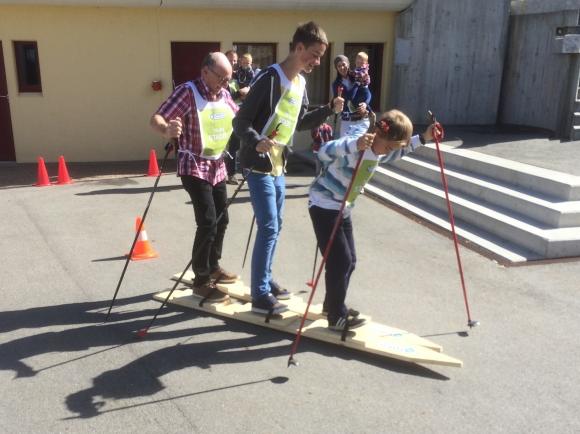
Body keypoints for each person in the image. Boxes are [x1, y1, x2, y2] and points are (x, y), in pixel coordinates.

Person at [233, 21, 344, 315]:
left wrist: (328, 109)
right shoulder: (270, 79)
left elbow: (300, 122)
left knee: (276, 225)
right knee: (269, 226)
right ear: (298, 47)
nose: (317, 62)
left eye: (320, 57)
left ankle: (266, 278)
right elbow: (240, 122)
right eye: (314, 55)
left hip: (279, 163)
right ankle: (259, 294)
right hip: (258, 163)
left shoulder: (300, 84)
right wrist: (256, 140)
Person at [308, 109, 437, 331]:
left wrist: (424, 138)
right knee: (340, 261)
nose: (388, 152)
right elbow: (323, 152)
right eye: (388, 147)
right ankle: (336, 316)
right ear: (378, 134)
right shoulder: (357, 143)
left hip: (343, 208)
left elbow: (397, 152)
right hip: (324, 205)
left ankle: (332, 305)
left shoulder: (379, 150)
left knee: (350, 261)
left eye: (392, 149)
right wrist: (354, 145)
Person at [150, 52, 239, 302]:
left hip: (217, 165)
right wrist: (166, 130)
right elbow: (156, 118)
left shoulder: (224, 94)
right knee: (208, 222)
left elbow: (238, 117)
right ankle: (201, 280)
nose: (225, 83)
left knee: (222, 219)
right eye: (221, 78)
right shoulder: (187, 92)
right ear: (205, 72)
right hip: (194, 165)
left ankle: (213, 266)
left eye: (228, 79)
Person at [331, 55, 370, 138]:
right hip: (347, 122)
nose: (342, 68)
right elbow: (348, 98)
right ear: (336, 68)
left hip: (362, 120)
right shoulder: (336, 84)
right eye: (339, 66)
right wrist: (357, 83)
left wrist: (365, 104)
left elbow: (368, 93)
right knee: (346, 146)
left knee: (361, 145)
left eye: (343, 64)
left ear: (348, 64)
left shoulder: (358, 75)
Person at [348, 51, 372, 116]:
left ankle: (368, 111)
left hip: (363, 87)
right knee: (357, 102)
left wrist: (351, 73)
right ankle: (367, 111)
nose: (359, 64)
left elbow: (360, 75)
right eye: (358, 62)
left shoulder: (363, 69)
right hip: (359, 87)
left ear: (365, 63)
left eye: (361, 63)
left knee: (364, 98)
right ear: (355, 62)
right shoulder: (357, 69)